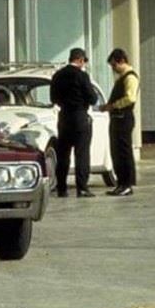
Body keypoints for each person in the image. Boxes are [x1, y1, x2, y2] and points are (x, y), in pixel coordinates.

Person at [50, 48, 94, 198]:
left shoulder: (57, 75)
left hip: (64, 118)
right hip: (80, 116)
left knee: (63, 154)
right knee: (81, 154)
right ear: (80, 60)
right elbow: (92, 98)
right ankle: (82, 188)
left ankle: (62, 188)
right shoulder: (82, 76)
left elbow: (53, 98)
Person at [99, 49, 138, 197]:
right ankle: (120, 183)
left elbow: (130, 98)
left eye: (114, 65)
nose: (113, 69)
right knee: (116, 151)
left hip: (123, 117)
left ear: (122, 61)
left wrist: (113, 106)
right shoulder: (121, 77)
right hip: (116, 118)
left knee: (123, 152)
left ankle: (127, 183)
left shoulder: (130, 77)